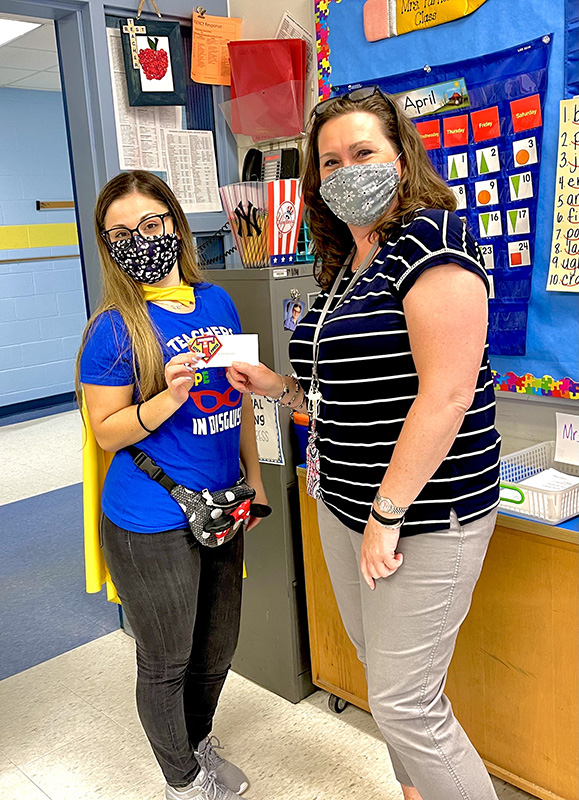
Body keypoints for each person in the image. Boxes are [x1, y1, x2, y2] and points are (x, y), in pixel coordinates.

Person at [227, 87, 501, 800]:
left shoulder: (430, 240)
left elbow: (446, 396)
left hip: (418, 515)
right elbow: (337, 400)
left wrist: (386, 513)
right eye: (329, 160)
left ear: (400, 158)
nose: (346, 170)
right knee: (385, 684)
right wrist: (275, 388)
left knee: (408, 705)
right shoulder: (344, 265)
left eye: (363, 152)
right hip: (344, 505)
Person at [76, 170, 267, 800]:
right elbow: (107, 432)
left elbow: (241, 402)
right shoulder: (113, 328)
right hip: (149, 517)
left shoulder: (217, 301)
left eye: (152, 223)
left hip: (221, 503)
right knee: (166, 660)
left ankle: (197, 738)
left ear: (175, 224)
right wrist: (167, 399)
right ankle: (183, 782)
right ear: (108, 245)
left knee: (219, 645)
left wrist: (255, 481)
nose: (141, 239)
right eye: (121, 232)